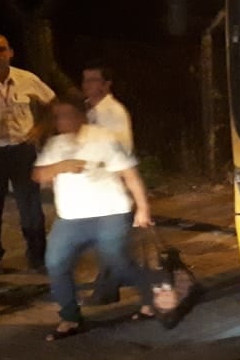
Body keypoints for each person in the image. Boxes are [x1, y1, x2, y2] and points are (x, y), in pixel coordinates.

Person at [32, 94, 154, 340]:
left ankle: (154, 298)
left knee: (118, 263)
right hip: (70, 218)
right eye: (57, 116)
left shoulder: (103, 138)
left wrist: (143, 208)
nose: (60, 121)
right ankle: (70, 317)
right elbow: (38, 175)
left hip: (109, 213)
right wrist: (61, 166)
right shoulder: (56, 145)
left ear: (80, 115)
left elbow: (130, 174)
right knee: (55, 263)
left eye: (65, 115)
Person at [0, 33, 54, 273]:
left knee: (30, 206)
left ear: (11, 52)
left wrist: (40, 129)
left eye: (1, 49)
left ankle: (38, 256)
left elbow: (52, 103)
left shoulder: (26, 79)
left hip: (22, 150)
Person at [80, 62, 134, 304]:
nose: (87, 85)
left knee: (108, 242)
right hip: (96, 186)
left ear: (106, 84)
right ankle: (114, 283)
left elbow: (118, 149)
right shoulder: (90, 110)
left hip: (110, 184)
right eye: (85, 80)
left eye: (93, 80)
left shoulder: (113, 112)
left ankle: (106, 291)